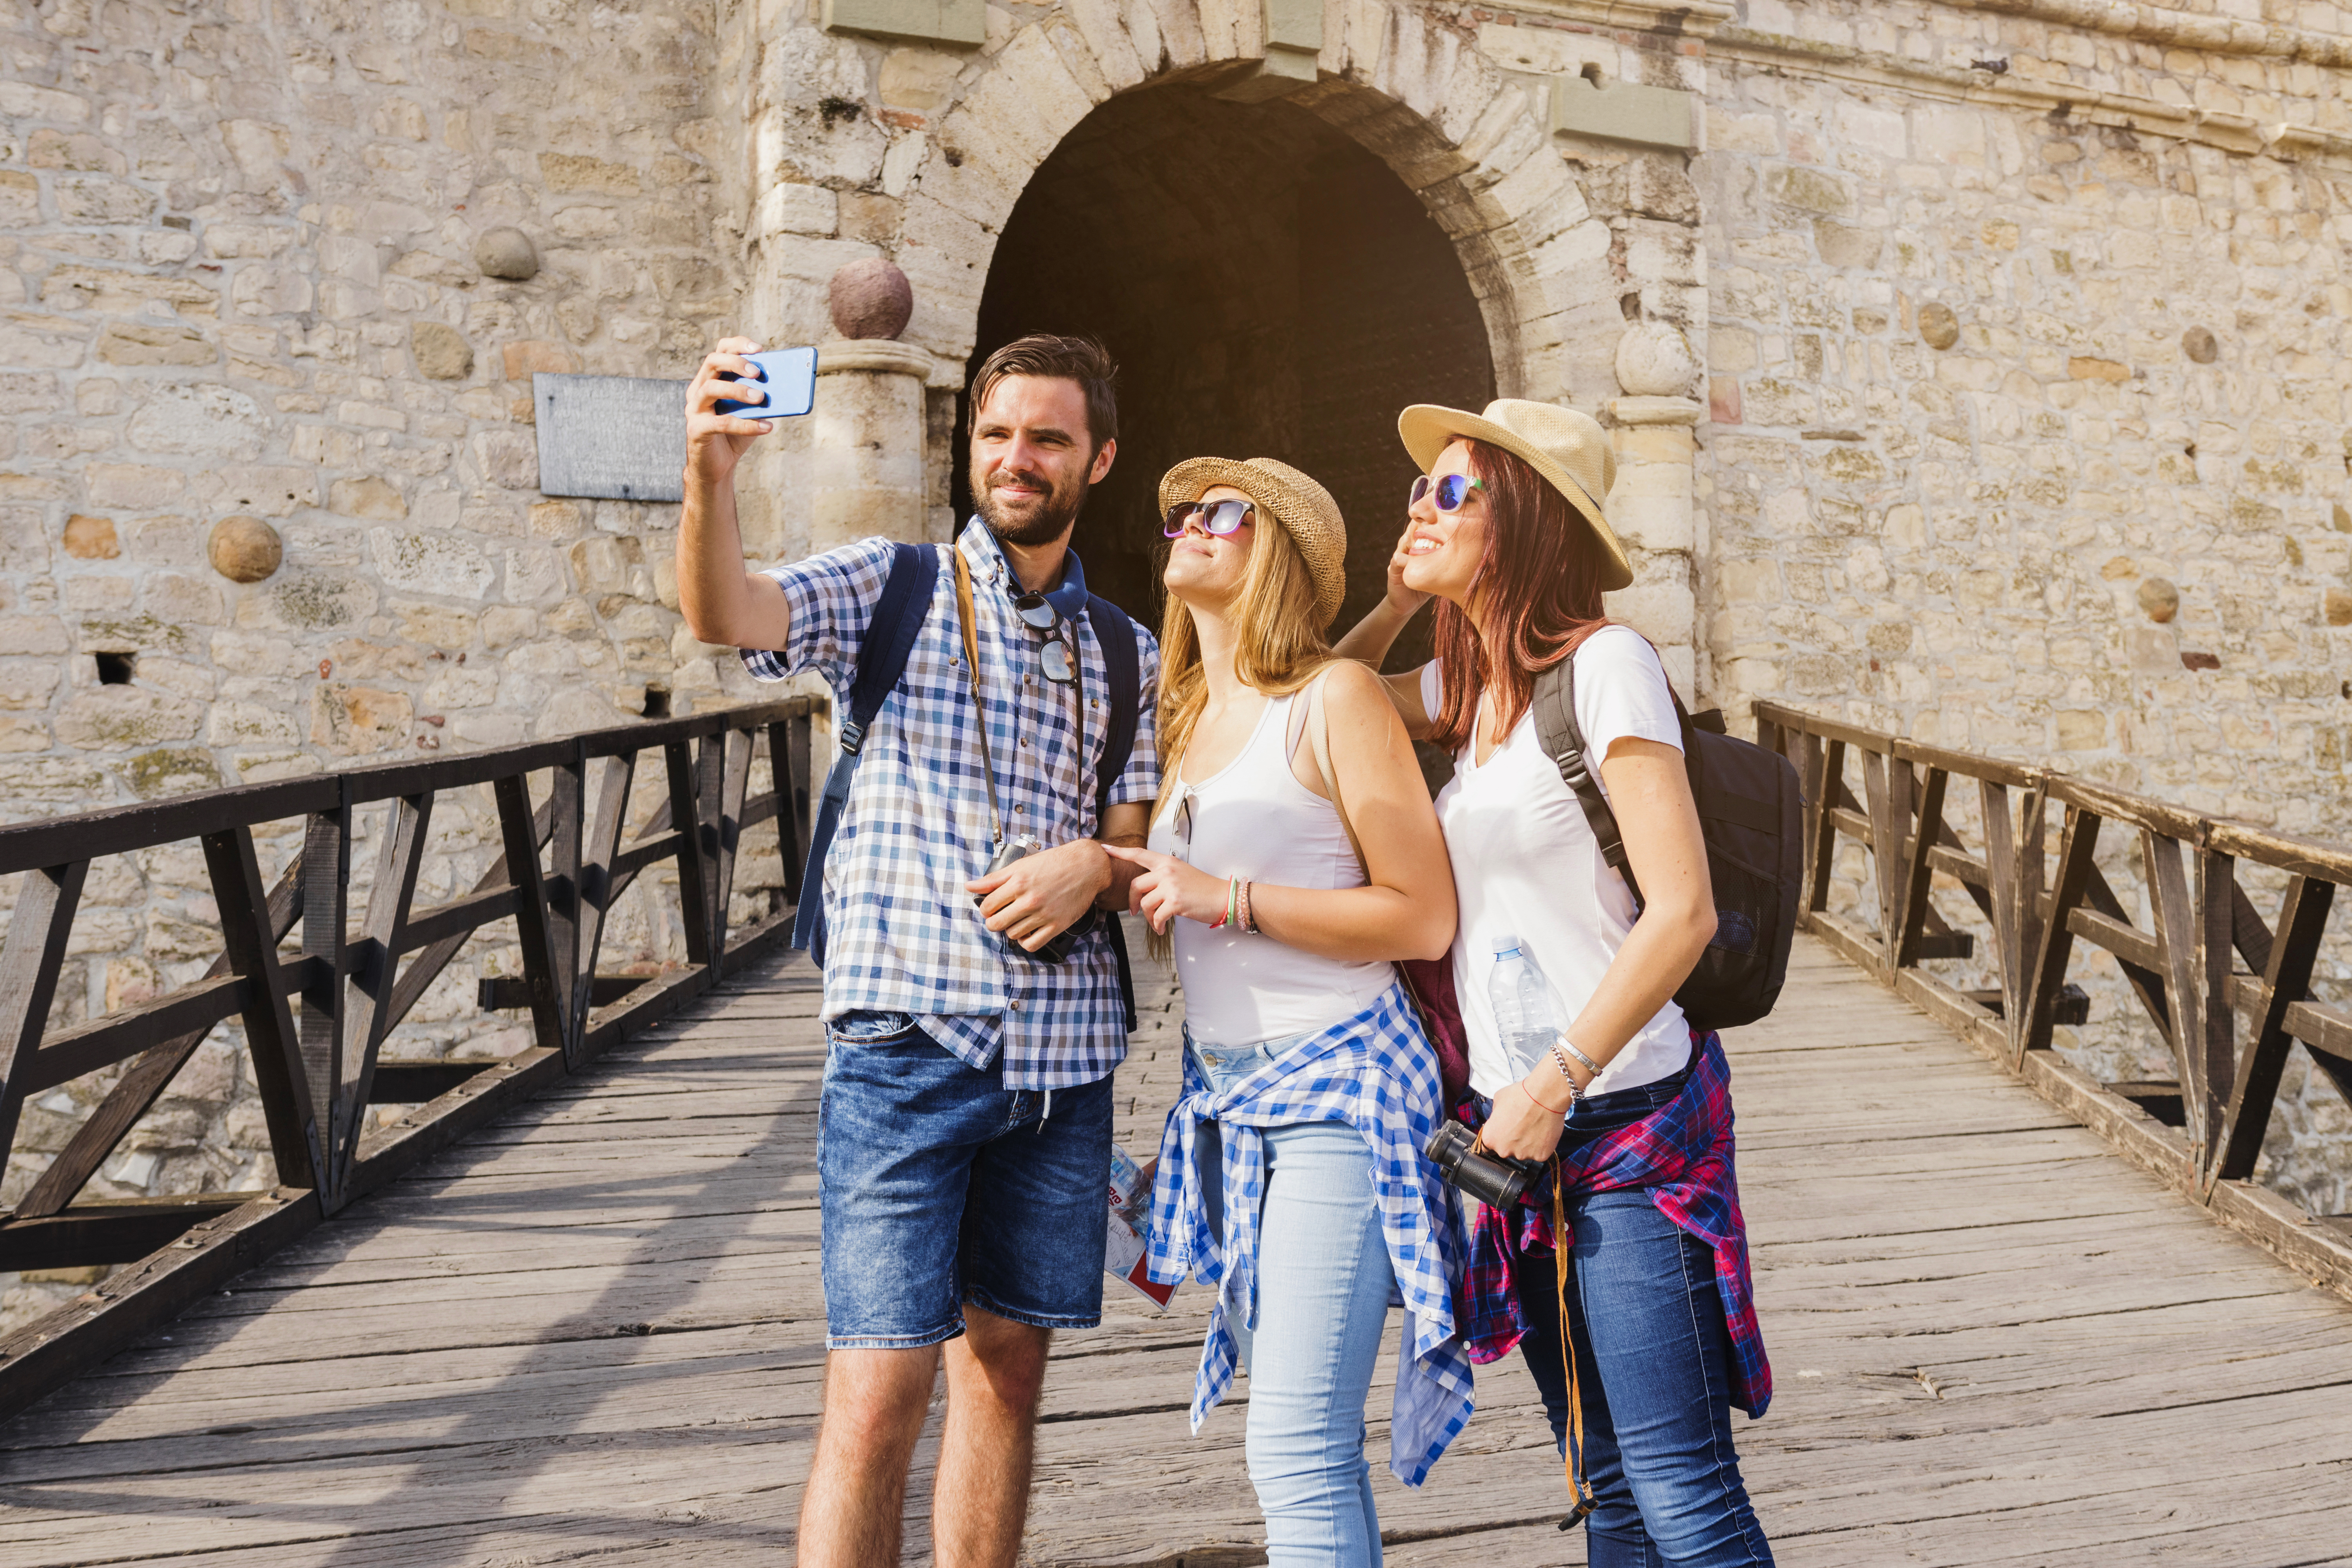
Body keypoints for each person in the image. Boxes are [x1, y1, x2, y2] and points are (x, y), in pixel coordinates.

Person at [676, 332, 1160, 1568]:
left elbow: (1131, 842)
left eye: (1049, 438)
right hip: (906, 1047)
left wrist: (1094, 868)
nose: (1017, 459)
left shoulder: (1126, 649)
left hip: (1061, 1068)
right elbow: (725, 614)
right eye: (997, 435)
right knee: (878, 1390)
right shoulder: (888, 585)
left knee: (1005, 1375)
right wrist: (711, 478)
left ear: (1096, 459)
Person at [1333, 399, 1775, 1567]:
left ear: (1523, 515)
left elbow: (1680, 910)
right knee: (1608, 1487)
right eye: (1420, 487)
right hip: (1520, 1141)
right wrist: (1397, 599)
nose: (1418, 504)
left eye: (1451, 490)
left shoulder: (1608, 666)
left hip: (1625, 1120)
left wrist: (1555, 1082)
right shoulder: (1464, 692)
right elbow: (1323, 709)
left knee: (1686, 1496)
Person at [1107, 457, 1471, 1568]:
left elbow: (1421, 918)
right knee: (1304, 1454)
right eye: (1184, 513)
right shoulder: (1190, 716)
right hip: (1231, 1103)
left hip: (1341, 1091)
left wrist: (1233, 900)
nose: (1192, 527)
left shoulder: (1339, 699)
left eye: (1226, 514)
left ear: (1279, 557)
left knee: (1296, 1450)